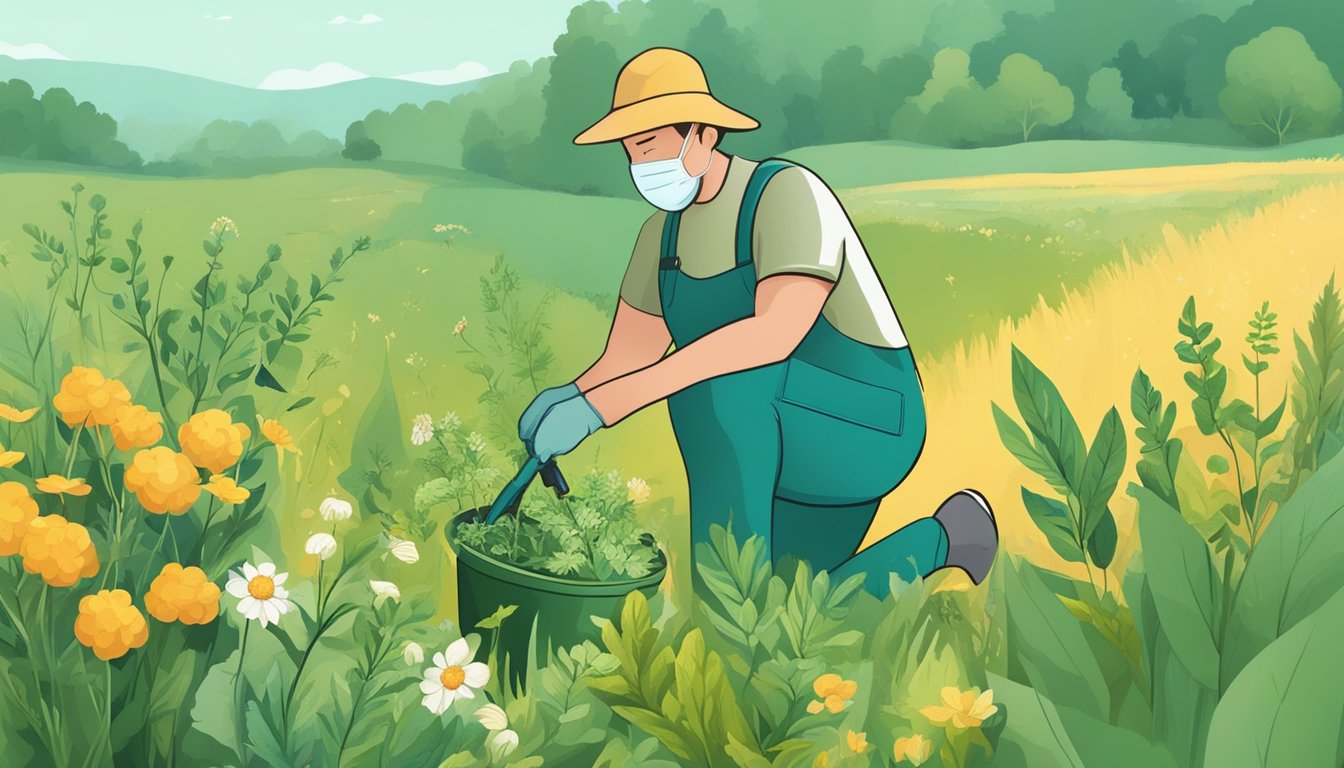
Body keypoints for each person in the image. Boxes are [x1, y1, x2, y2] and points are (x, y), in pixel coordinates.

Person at [517, 47, 997, 598]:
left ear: (702, 134)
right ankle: (951, 538)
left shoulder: (787, 195)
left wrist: (603, 408)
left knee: (709, 393)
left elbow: (775, 333)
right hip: (766, 434)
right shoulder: (660, 236)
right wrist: (570, 395)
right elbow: (630, 353)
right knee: (796, 614)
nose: (640, 167)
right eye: (630, 153)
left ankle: (724, 613)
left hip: (866, 423)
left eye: (649, 148)